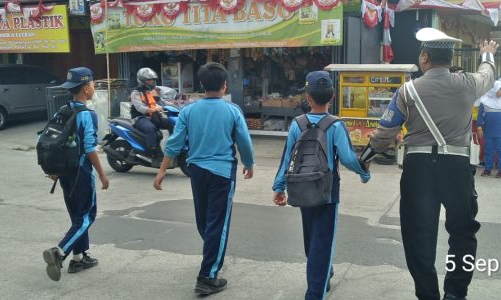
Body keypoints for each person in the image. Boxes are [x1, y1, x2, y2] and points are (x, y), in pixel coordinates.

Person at [363, 27, 498, 300]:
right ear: (449, 59)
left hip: (418, 168)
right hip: (457, 168)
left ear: (424, 57)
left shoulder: (408, 90)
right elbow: (488, 75)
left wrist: (365, 158)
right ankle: (455, 294)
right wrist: (487, 55)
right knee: (463, 233)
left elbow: (386, 131)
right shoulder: (469, 84)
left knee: (418, 237)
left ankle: (428, 295)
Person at [154, 62, 255, 295]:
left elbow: (174, 143)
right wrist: (249, 164)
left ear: (201, 85)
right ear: (224, 85)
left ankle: (211, 259)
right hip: (222, 173)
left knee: (205, 221)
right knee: (217, 224)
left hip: (197, 171)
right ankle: (208, 276)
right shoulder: (232, 110)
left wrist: (162, 171)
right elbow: (244, 142)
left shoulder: (188, 111)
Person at [272, 71, 371, 300]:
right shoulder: (335, 125)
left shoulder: (297, 124)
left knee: (311, 239)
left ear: (308, 97)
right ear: (332, 96)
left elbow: (287, 158)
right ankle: (315, 293)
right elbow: (347, 158)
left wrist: (279, 188)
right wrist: (364, 173)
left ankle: (322, 274)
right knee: (322, 242)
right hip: (327, 191)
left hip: (301, 187)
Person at [43, 67, 110, 282]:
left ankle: (79, 258)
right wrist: (102, 174)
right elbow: (90, 148)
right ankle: (60, 252)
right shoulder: (87, 115)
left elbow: (49, 140)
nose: (93, 88)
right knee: (87, 216)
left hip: (64, 172)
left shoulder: (62, 110)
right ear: (84, 88)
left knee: (76, 215)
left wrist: (53, 169)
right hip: (81, 172)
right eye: (91, 84)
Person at [130, 67, 173, 159]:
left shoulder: (152, 91)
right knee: (151, 128)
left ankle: (175, 144)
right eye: (149, 80)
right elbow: (139, 108)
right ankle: (152, 151)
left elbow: (162, 102)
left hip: (154, 117)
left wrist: (175, 104)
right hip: (140, 118)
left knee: (172, 123)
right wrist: (154, 109)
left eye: (153, 80)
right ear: (142, 80)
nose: (152, 82)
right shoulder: (136, 92)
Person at [477, 81, 501, 178]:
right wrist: (479, 127)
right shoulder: (484, 102)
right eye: (500, 89)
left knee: (500, 151)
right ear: (494, 90)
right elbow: (480, 115)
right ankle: (487, 169)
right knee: (488, 150)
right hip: (488, 130)